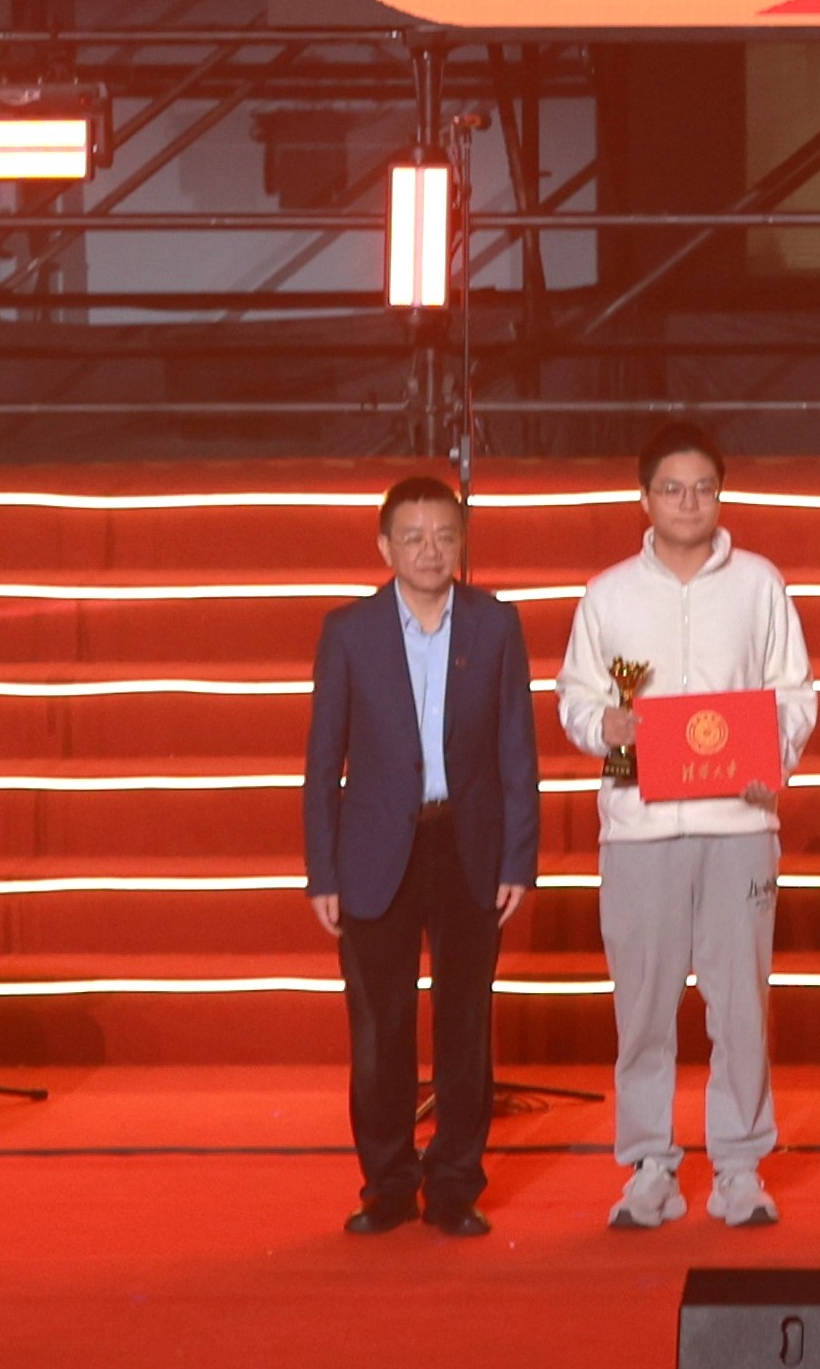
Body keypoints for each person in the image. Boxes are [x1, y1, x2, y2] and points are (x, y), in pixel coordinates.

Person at [557, 420, 813, 1231]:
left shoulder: (760, 583)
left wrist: (773, 757)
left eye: (703, 487)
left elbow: (794, 690)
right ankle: (649, 1164)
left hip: (740, 823)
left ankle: (739, 1164)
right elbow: (573, 697)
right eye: (672, 488)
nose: (689, 501)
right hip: (639, 828)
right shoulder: (607, 594)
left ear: (720, 494)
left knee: (740, 1004)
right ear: (645, 498)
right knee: (642, 1006)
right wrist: (605, 726)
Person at [301, 473, 538, 1237]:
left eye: (444, 535)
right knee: (380, 1028)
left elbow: (516, 747)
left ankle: (456, 1184)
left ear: (461, 540)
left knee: (466, 1022)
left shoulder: (495, 624)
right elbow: (322, 760)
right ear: (385, 546)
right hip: (374, 849)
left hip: (469, 845)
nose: (430, 550)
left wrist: (518, 858)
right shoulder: (349, 630)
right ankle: (388, 1183)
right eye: (413, 536)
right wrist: (322, 868)